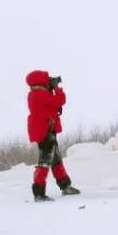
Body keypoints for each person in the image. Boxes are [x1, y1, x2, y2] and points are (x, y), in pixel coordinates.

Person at [26, 70, 80, 202]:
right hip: (45, 133)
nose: (49, 82)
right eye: (46, 80)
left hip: (47, 131)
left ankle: (65, 186)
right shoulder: (40, 94)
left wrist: (50, 88)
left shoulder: (35, 94)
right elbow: (60, 100)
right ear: (40, 82)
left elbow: (50, 106)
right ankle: (39, 193)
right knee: (44, 163)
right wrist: (56, 88)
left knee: (56, 161)